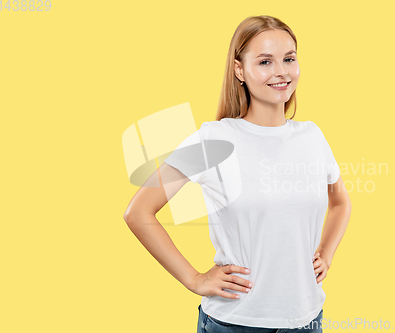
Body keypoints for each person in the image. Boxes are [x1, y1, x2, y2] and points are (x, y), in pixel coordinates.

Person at [123, 15, 352, 333]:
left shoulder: (312, 137)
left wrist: (326, 253)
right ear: (239, 70)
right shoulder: (213, 139)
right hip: (236, 323)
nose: (281, 72)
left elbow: (340, 202)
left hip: (306, 320)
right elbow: (138, 212)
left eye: (289, 58)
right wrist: (194, 279)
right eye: (264, 62)